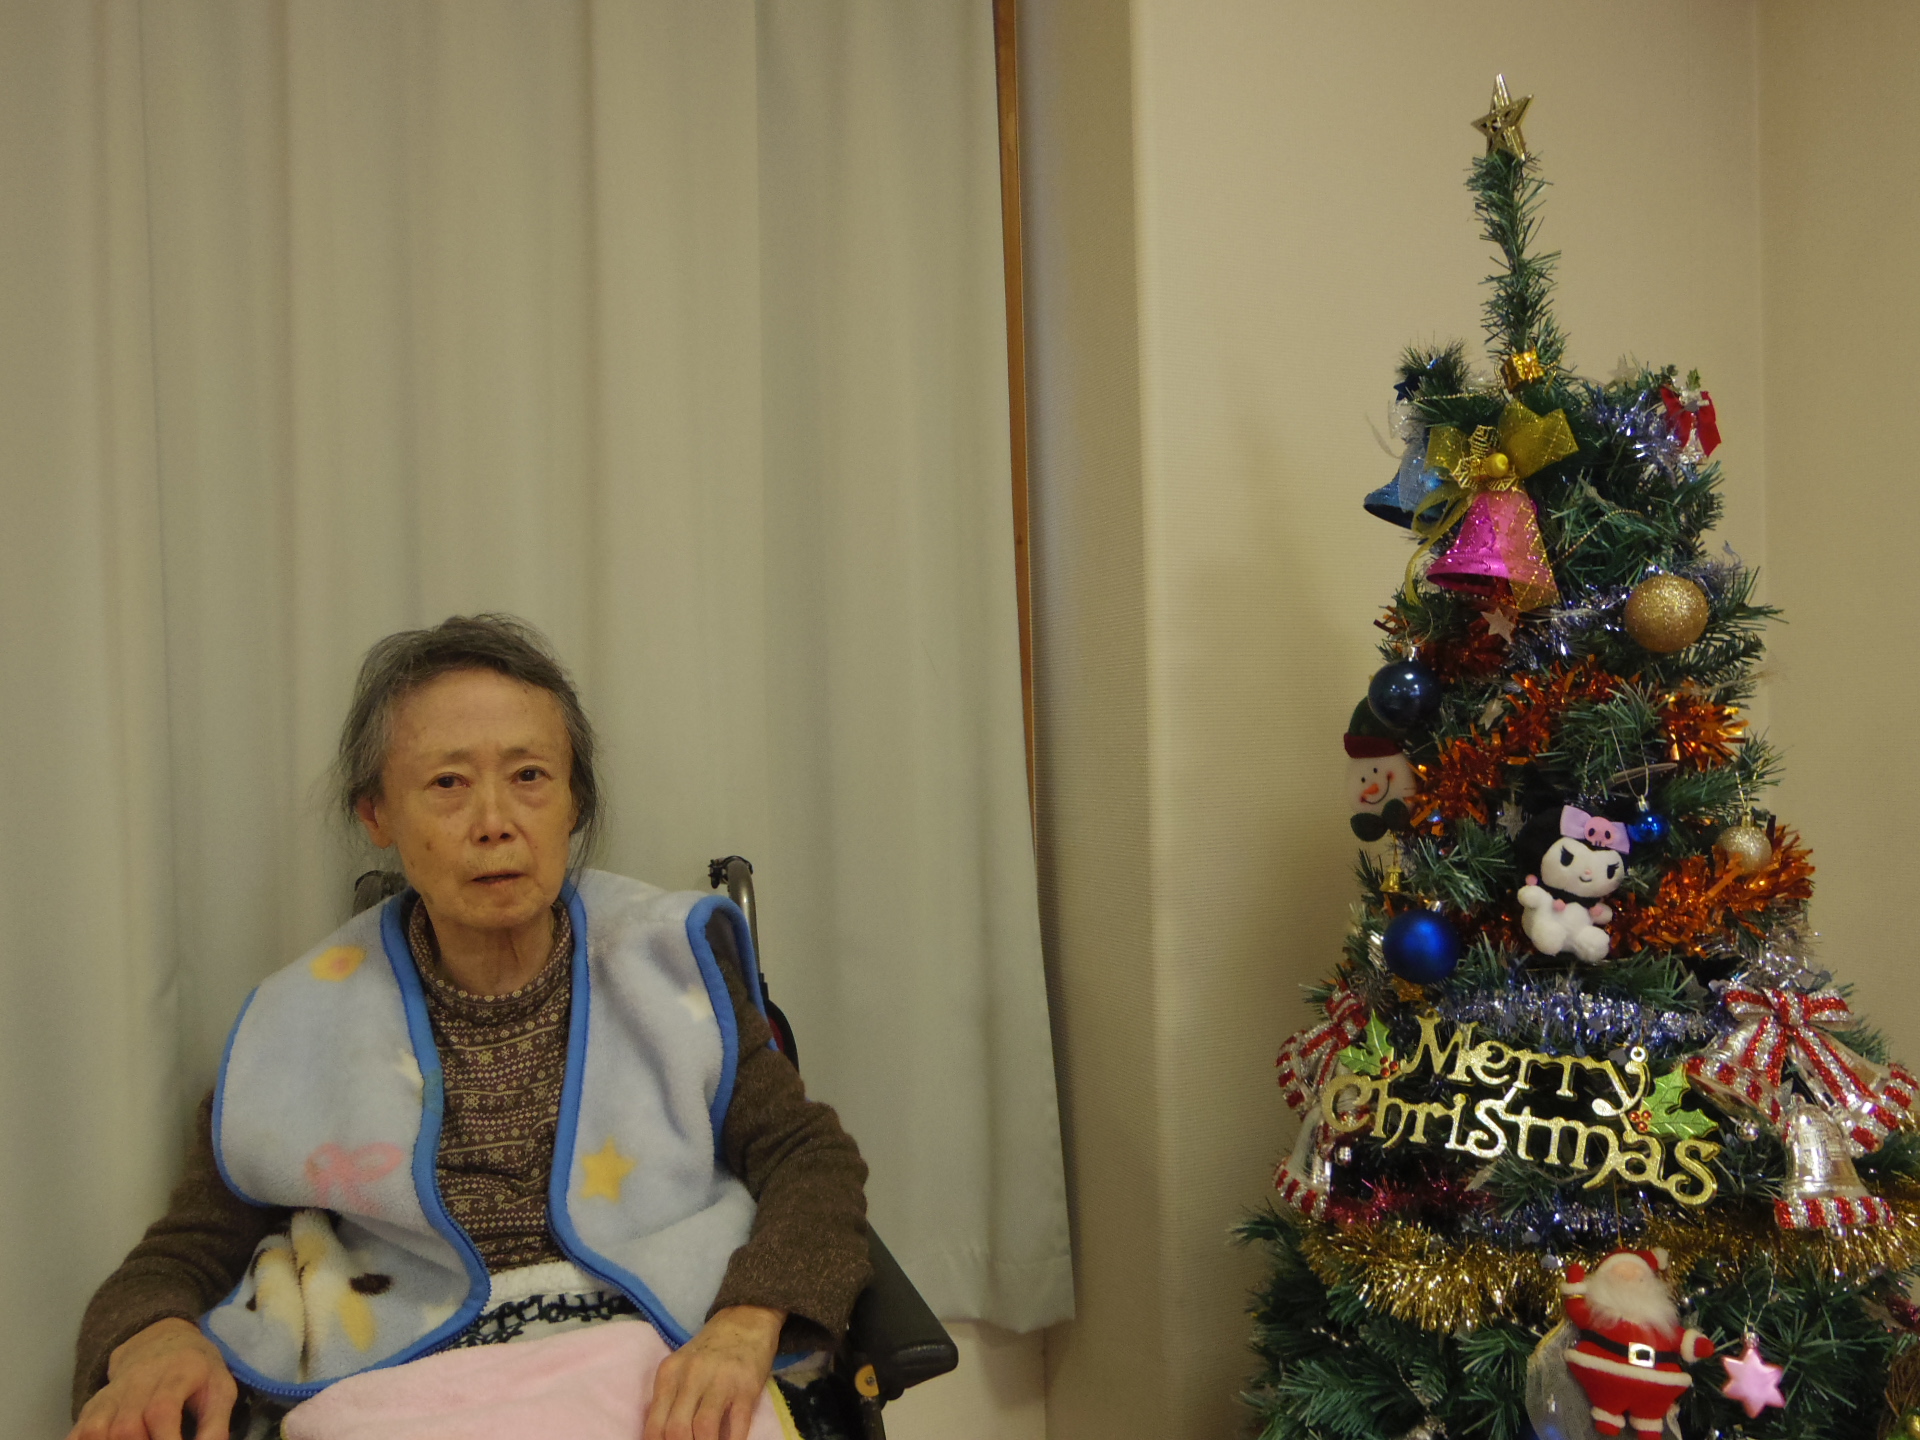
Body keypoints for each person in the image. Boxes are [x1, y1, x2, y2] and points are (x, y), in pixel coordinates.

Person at [69, 615, 871, 1440]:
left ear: (573, 801)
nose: (494, 821)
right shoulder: (299, 1020)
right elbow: (186, 1250)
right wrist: (153, 1340)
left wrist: (748, 1317)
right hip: (412, 1379)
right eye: (448, 783)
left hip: (653, 1353)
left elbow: (809, 1158)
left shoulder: (668, 970)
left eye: (529, 776)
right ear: (376, 813)